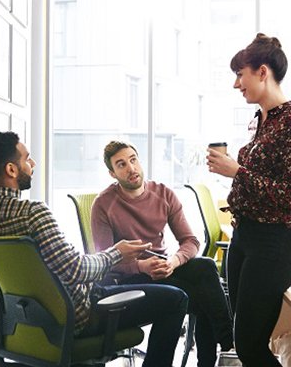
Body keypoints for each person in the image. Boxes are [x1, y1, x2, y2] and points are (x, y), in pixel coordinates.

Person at [0, 131, 188, 367]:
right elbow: (76, 271)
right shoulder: (32, 213)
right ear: (11, 169)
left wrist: (6, 288)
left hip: (26, 322)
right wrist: (117, 252)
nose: (33, 163)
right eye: (27, 158)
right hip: (81, 314)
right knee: (176, 299)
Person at [92, 140, 234, 367]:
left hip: (164, 267)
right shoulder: (103, 204)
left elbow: (190, 240)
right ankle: (226, 352)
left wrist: (174, 261)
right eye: (121, 165)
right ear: (112, 173)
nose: (131, 168)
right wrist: (141, 266)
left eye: (133, 160)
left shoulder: (163, 193)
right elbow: (104, 261)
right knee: (203, 294)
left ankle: (226, 349)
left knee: (206, 267)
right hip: (129, 277)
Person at [207, 33, 291, 367]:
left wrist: (237, 172)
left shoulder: (289, 123)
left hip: (272, 243)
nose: (235, 84)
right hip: (244, 236)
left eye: (240, 74)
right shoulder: (261, 120)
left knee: (250, 346)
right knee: (246, 339)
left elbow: (287, 194)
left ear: (262, 72)